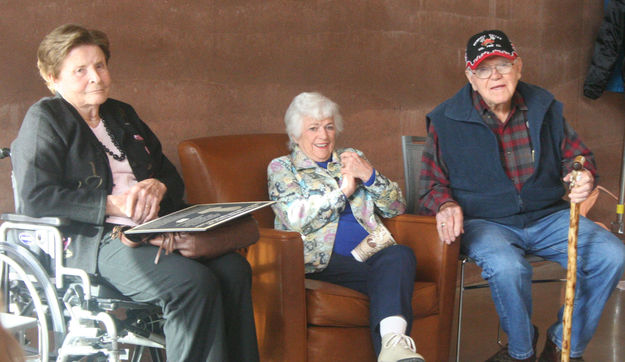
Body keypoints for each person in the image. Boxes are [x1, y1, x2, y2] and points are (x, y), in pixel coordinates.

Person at [11, 24, 260, 362]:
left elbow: (168, 176)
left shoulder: (122, 114)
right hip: (98, 240)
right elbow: (36, 198)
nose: (96, 77)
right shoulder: (46, 118)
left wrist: (158, 185)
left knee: (233, 270)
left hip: (156, 228)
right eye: (80, 70)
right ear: (53, 79)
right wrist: (112, 203)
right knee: (191, 284)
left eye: (100, 65)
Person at [419, 29, 625, 362]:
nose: (495, 75)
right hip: (486, 221)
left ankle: (563, 345)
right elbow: (431, 185)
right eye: (484, 68)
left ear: (519, 67)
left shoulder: (545, 107)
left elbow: (578, 157)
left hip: (548, 216)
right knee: (507, 267)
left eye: (503, 64)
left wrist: (582, 175)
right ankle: (520, 352)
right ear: (471, 77)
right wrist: (445, 205)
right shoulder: (446, 120)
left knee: (612, 255)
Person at [267, 92, 424, 362]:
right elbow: (295, 216)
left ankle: (392, 349)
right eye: (313, 128)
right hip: (323, 260)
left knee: (402, 254)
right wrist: (342, 193)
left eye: (329, 126)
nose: (323, 135)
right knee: (390, 279)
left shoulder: (352, 158)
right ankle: (394, 347)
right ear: (295, 135)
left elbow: (397, 207)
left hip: (371, 253)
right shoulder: (283, 167)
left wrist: (369, 176)